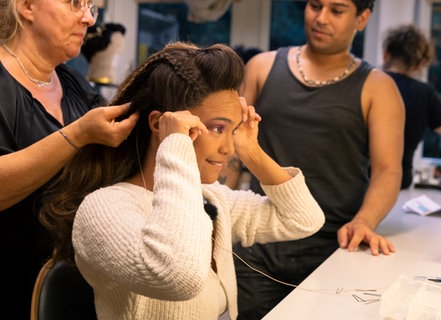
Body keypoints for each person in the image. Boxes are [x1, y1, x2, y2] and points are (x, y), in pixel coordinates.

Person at [39, 41, 325, 320]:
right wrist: (175, 144)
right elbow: (178, 276)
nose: (228, 148)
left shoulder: (211, 197)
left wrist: (251, 151)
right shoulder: (102, 209)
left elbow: (302, 219)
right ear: (158, 124)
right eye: (217, 128)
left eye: (233, 130)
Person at [226, 0, 404, 318]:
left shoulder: (378, 87)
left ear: (362, 18)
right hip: (258, 244)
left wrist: (365, 221)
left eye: (336, 10)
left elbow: (387, 170)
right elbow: (230, 150)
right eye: (315, 5)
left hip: (333, 248)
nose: (321, 18)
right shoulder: (262, 67)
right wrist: (214, 215)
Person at [0, 0, 138, 316]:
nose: (88, 18)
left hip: (72, 291)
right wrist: (77, 136)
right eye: (75, 3)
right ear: (27, 6)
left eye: (91, 6)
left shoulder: (74, 84)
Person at [382, 24, 441, 189]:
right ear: (419, 65)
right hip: (396, 186)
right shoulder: (424, 93)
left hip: (357, 186)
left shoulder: (365, 84)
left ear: (386, 54)